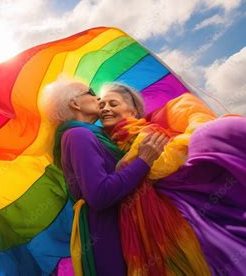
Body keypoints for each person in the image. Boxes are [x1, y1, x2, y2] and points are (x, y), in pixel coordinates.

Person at [99, 82, 246, 275]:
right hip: (142, 231)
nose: (105, 109)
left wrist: (136, 167)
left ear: (134, 109)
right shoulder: (107, 145)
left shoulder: (149, 130)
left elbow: (168, 161)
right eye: (101, 105)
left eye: (113, 104)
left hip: (179, 214)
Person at [41, 76, 168, 275]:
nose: (99, 100)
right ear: (75, 103)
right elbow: (99, 194)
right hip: (107, 234)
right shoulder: (78, 136)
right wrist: (143, 161)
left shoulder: (93, 135)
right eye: (91, 93)